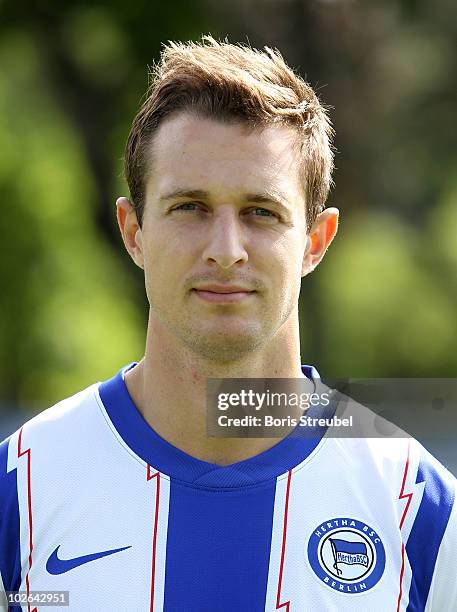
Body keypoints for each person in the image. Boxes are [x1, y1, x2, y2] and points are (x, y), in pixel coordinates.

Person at [0, 35, 455, 612]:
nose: (226, 249)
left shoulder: (419, 510)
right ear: (133, 230)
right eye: (189, 207)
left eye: (260, 212)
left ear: (316, 241)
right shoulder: (21, 491)